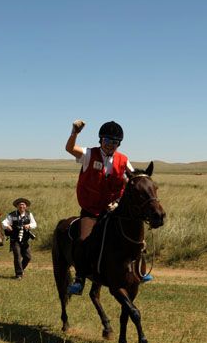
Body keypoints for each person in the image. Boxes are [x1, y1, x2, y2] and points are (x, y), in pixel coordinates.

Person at [64, 119, 151, 294]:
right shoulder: (89, 154)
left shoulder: (123, 160)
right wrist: (75, 132)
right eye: (107, 141)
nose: (111, 145)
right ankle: (80, 278)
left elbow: (132, 182)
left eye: (115, 142)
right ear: (100, 140)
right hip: (91, 210)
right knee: (83, 240)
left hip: (113, 210)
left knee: (138, 239)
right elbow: (70, 149)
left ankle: (140, 270)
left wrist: (121, 201)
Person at [2, 198, 38, 279]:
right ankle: (18, 275)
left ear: (26, 206)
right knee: (17, 256)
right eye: (20, 205)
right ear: (17, 206)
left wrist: (29, 226)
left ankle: (21, 269)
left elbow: (34, 224)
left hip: (25, 239)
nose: (22, 206)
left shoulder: (29, 214)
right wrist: (7, 226)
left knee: (28, 257)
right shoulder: (11, 215)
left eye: (23, 205)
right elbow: (3, 223)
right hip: (15, 240)